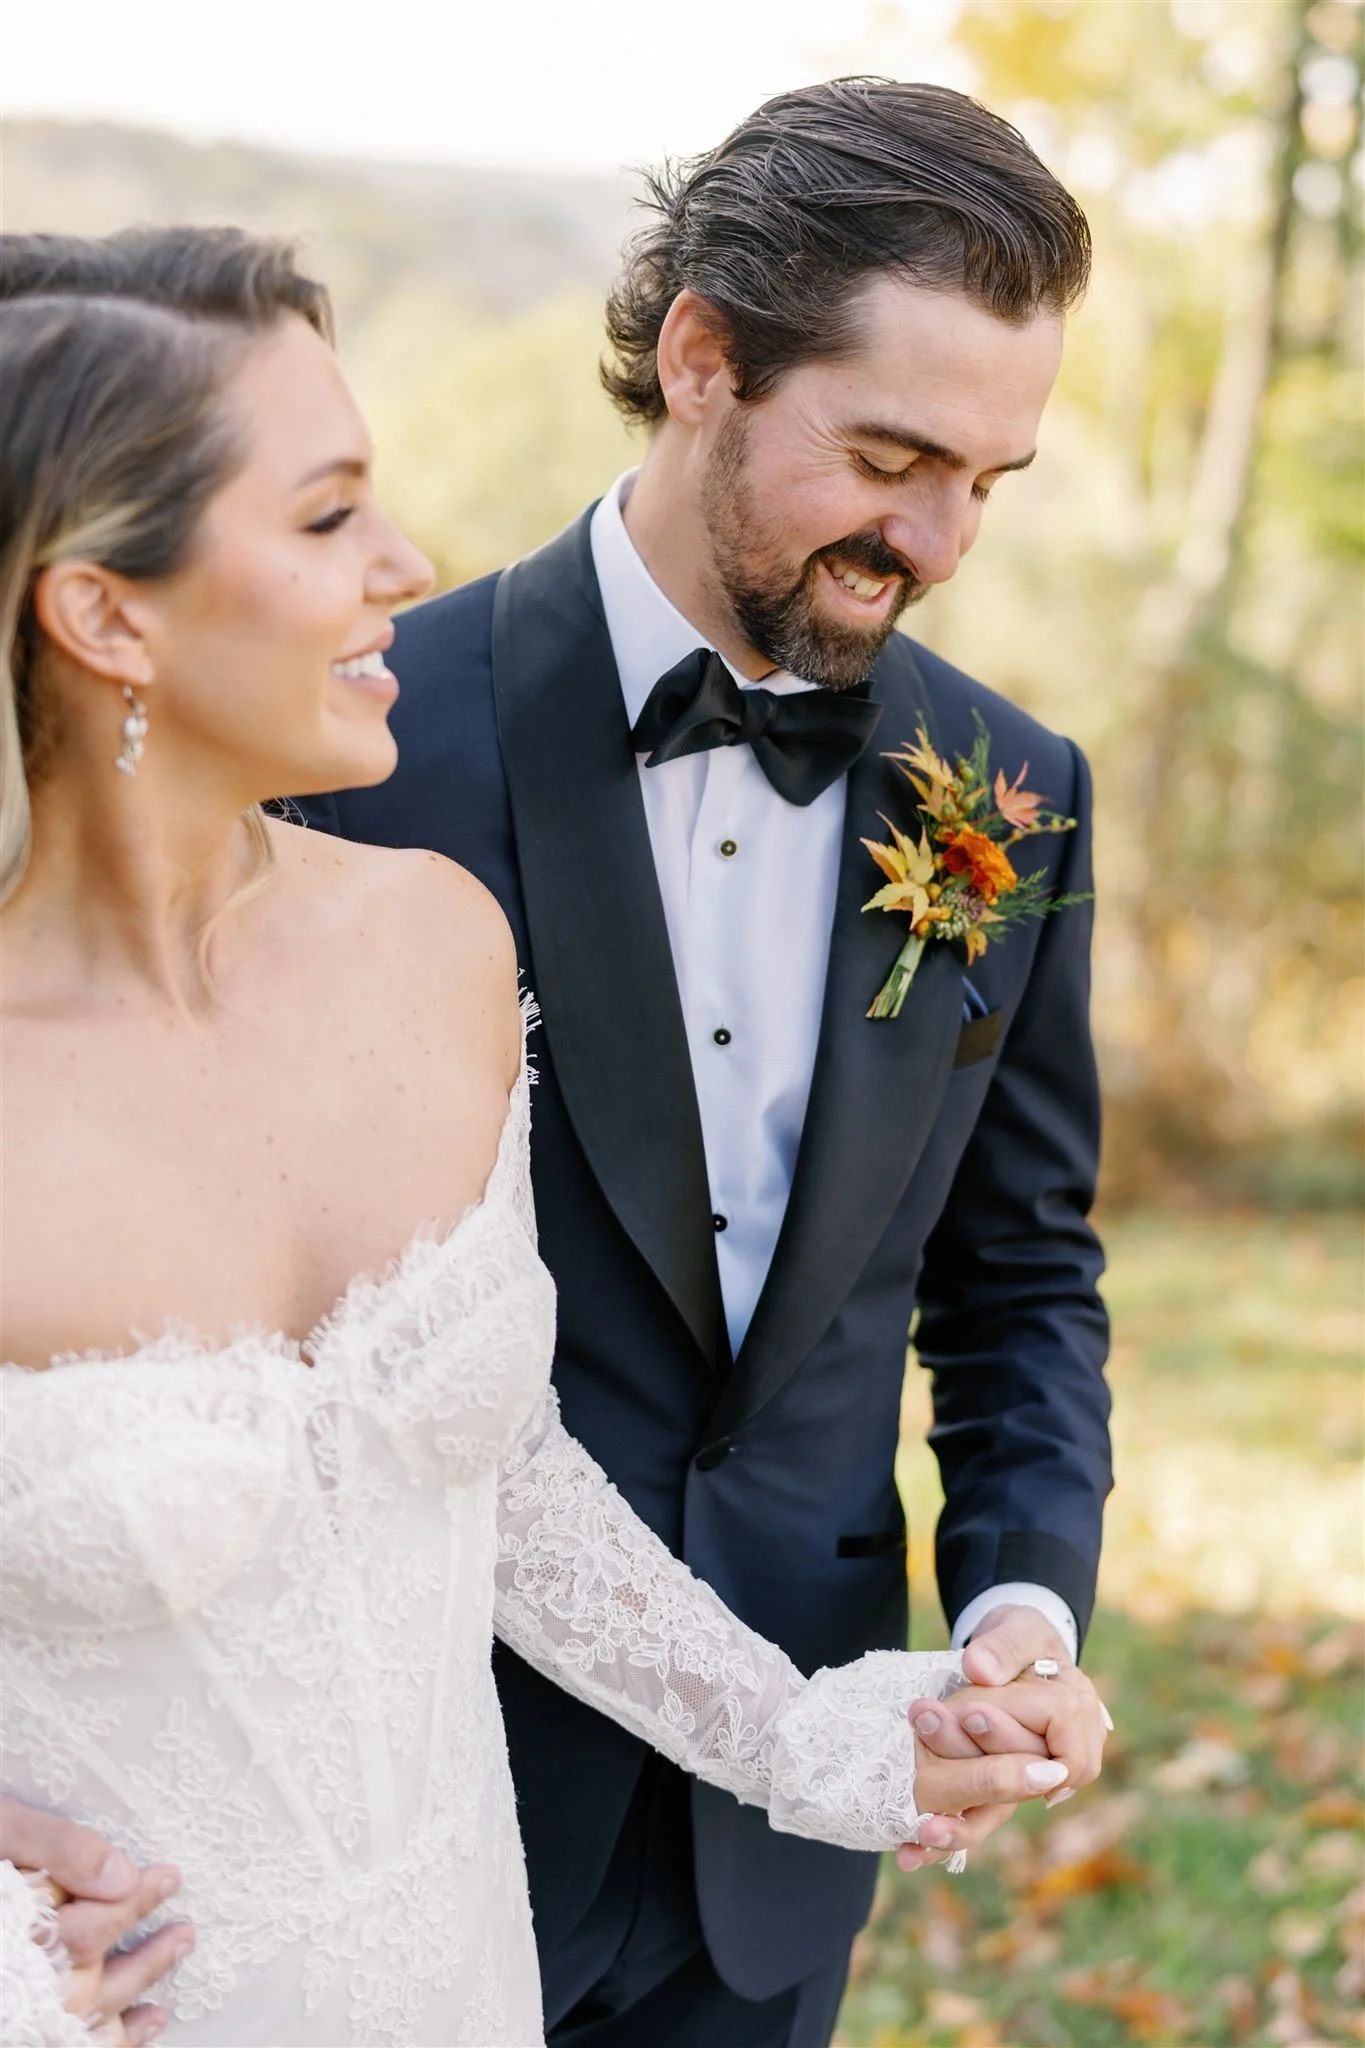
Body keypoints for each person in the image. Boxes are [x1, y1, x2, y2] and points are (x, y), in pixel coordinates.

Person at [0, 224, 1094, 2048]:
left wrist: (814, 1734)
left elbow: (504, 1477)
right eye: (328, 512)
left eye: (987, 480)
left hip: (487, 1949)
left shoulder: (429, 944)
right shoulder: (396, 749)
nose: (404, 560)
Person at [283, 77, 1117, 2048]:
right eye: (890, 458)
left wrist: (1018, 1608)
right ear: (699, 358)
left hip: (797, 1825)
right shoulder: (354, 752)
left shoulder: (1008, 791)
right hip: (413, 1793)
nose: (934, 541)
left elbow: (1018, 1278)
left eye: (988, 482)